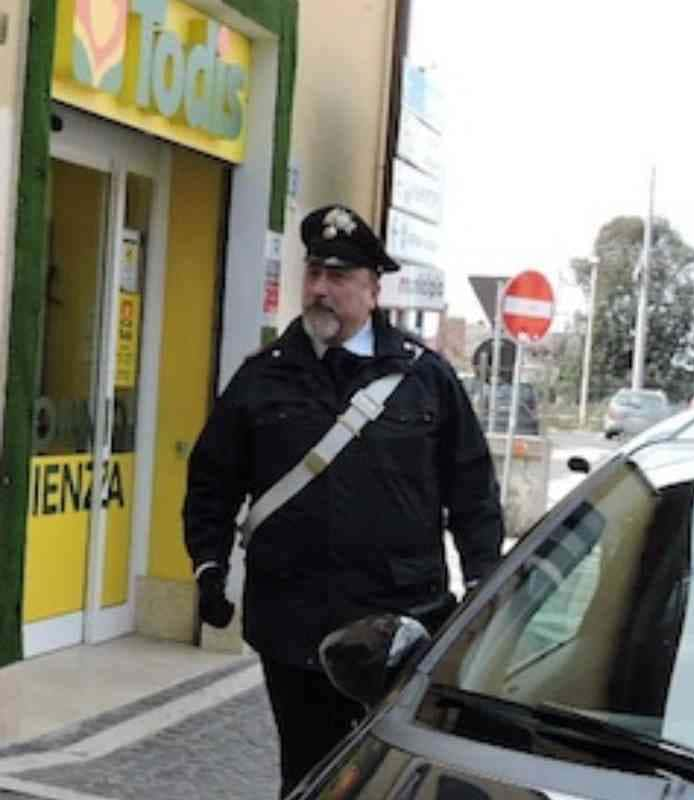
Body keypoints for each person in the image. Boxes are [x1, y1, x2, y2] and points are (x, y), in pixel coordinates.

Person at [183, 205, 504, 797]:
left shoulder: (423, 378)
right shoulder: (263, 378)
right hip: (293, 624)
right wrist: (209, 565)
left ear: (372, 288)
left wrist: (484, 584)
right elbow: (212, 481)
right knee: (306, 776)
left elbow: (472, 490)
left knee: (388, 777)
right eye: (314, 274)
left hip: (400, 622)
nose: (321, 290)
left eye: (339, 278)